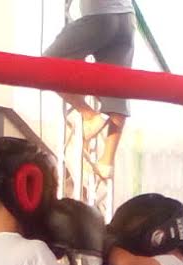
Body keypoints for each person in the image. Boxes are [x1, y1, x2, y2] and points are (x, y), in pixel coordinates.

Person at [44, 0, 135, 180]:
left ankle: (89, 115)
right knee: (118, 89)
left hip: (99, 16)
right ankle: (107, 161)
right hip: (127, 20)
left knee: (47, 65)